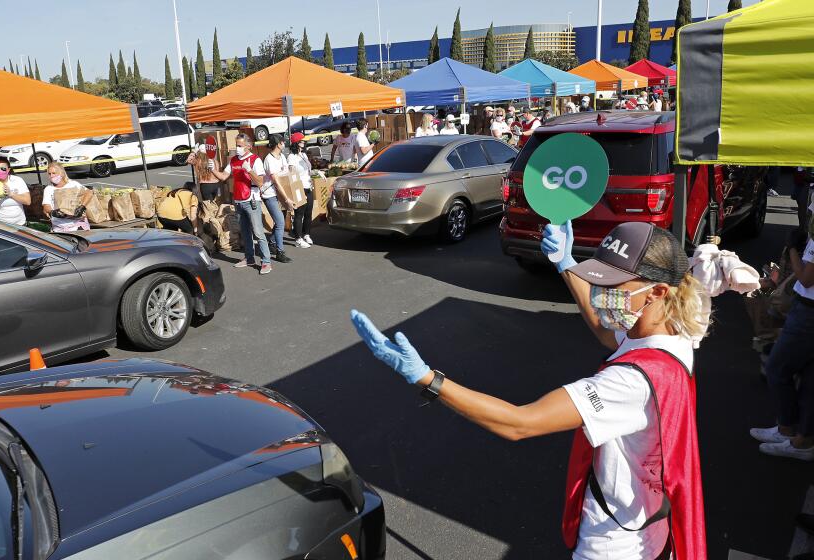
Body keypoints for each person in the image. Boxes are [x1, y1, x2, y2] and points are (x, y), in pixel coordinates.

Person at [351, 220, 709, 559]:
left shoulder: (629, 383)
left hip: (614, 544)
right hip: (648, 525)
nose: (602, 294)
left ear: (658, 291)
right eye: (599, 280)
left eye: (613, 287)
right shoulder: (672, 335)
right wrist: (566, 264)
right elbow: (605, 332)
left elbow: (520, 422)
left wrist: (427, 379)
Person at [752, 226, 814, 461]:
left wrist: (793, 251)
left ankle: (789, 430)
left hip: (809, 311)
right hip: (807, 308)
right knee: (808, 379)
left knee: (777, 367)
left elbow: (806, 279)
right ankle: (799, 437)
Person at [209, 133, 272, 274]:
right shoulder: (234, 160)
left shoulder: (255, 160)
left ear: (248, 146)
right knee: (245, 232)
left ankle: (266, 261)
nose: (237, 148)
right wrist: (213, 169)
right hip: (238, 201)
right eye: (236, 145)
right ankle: (249, 258)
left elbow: (261, 182)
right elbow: (224, 176)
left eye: (240, 146)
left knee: (258, 232)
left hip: (252, 201)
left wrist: (249, 170)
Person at [187, 148, 230, 253]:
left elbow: (188, 160)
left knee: (208, 211)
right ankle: (222, 232)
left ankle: (214, 234)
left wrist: (193, 152)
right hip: (216, 185)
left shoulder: (198, 161)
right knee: (217, 209)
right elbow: (219, 173)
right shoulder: (214, 161)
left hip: (205, 186)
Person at [262, 134, 295, 264]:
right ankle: (280, 252)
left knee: (279, 220)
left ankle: (272, 242)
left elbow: (286, 174)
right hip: (270, 193)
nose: (284, 144)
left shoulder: (281, 157)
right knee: (281, 222)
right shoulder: (269, 159)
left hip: (280, 192)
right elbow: (275, 181)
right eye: (283, 142)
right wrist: (287, 199)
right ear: (278, 144)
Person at [42, 162, 93, 232]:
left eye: (54, 173)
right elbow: (46, 207)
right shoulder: (48, 189)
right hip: (59, 228)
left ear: (61, 173)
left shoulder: (73, 184)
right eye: (49, 174)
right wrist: (53, 212)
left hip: (77, 226)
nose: (51, 176)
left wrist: (82, 206)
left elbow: (89, 192)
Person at [0, 156, 29, 225]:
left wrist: (11, 194)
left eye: (3, 169)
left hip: (20, 224)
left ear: (8, 169)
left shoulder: (17, 180)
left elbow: (27, 201)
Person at [287, 132, 315, 248]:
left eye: (304, 141)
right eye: (302, 141)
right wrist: (295, 189)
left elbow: (308, 170)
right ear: (296, 143)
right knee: (299, 213)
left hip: (308, 186)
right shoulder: (291, 157)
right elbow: (291, 174)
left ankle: (306, 234)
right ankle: (298, 238)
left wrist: (315, 174)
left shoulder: (303, 155)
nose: (304, 142)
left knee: (308, 212)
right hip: (299, 187)